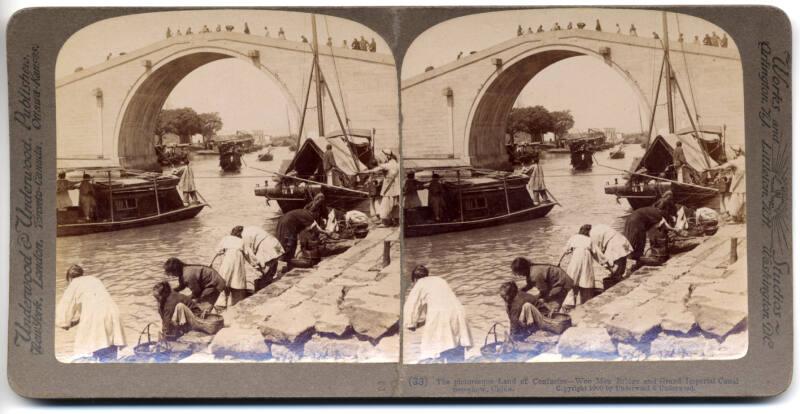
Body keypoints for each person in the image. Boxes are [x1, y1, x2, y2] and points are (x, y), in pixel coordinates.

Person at [56, 265, 127, 361]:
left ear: (69, 278)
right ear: (82, 274)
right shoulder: (94, 279)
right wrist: (79, 320)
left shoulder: (73, 284)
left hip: (97, 320)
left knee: (99, 348)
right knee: (110, 355)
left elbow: (62, 321)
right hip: (113, 314)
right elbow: (97, 305)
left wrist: (68, 324)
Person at [403, 265, 473, 362]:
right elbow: (442, 305)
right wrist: (422, 322)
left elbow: (411, 306)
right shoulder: (440, 280)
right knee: (455, 350)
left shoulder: (420, 283)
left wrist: (411, 323)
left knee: (433, 349)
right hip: (458, 314)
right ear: (427, 275)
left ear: (415, 279)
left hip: (442, 318)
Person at [623, 205, 673, 274]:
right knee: (636, 242)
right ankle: (634, 260)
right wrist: (675, 230)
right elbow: (663, 228)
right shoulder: (660, 217)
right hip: (636, 222)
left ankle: (635, 261)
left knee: (635, 242)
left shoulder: (655, 211)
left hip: (632, 219)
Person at [562, 224, 598, 306]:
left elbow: (565, 250)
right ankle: (584, 302)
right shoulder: (590, 240)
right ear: (588, 232)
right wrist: (606, 263)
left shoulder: (574, 237)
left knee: (572, 280)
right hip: (586, 259)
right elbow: (596, 254)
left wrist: (559, 261)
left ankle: (570, 303)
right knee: (585, 281)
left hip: (576, 260)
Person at [363, 150, 400, 227]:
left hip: (388, 188)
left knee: (385, 205)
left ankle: (385, 222)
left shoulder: (387, 165)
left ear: (387, 156)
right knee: (395, 205)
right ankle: (396, 221)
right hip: (396, 188)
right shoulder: (397, 164)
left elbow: (376, 169)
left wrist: (363, 172)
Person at [215, 226, 249, 307]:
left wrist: (224, 252)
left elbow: (218, 250)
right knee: (236, 282)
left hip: (227, 262)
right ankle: (234, 304)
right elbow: (248, 254)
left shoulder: (226, 238)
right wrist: (257, 264)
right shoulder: (242, 241)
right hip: (237, 263)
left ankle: (221, 304)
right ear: (240, 234)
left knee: (224, 281)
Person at [710, 146, 746, 222]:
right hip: (743, 185)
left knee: (735, 200)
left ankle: (734, 217)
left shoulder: (735, 162)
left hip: (737, 185)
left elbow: (722, 167)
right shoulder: (744, 160)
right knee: (742, 201)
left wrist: (710, 169)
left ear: (737, 152)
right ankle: (740, 217)